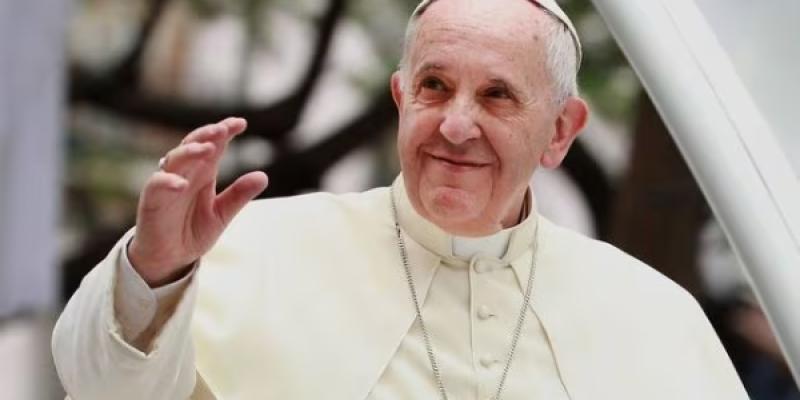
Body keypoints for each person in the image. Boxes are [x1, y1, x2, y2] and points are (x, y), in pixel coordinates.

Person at [53, 0, 750, 399]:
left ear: (560, 131)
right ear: (400, 98)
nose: (455, 125)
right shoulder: (248, 249)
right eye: (436, 86)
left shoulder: (654, 314)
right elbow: (99, 386)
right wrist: (153, 272)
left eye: (497, 95)